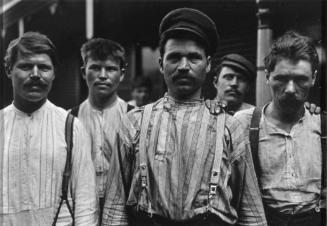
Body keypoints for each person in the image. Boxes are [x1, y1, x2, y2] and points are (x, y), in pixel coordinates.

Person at [102, 8, 267, 226]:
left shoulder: (229, 126)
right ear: (161, 64)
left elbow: (251, 213)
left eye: (193, 58)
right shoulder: (134, 123)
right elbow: (114, 209)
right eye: (174, 57)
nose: (183, 66)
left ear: (208, 64)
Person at [0, 32, 98, 225]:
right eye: (26, 66)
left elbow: (86, 201)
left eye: (44, 67)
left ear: (54, 73)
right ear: (9, 70)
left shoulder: (71, 126)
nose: (35, 74)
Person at [234, 31, 326, 226]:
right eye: (282, 78)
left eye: (301, 79)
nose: (291, 89)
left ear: (314, 78)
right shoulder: (243, 123)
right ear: (267, 76)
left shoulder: (323, 125)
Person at [69, 38, 133, 221]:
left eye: (111, 69)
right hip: (81, 209)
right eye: (95, 68)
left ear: (121, 74)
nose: (103, 75)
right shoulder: (70, 119)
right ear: (83, 72)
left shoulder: (135, 118)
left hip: (123, 211)